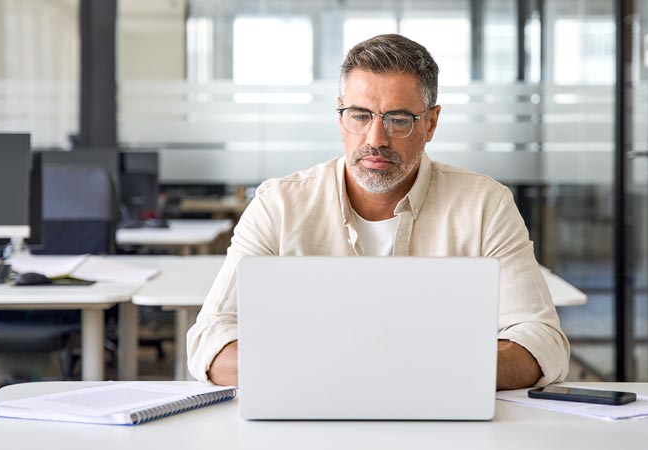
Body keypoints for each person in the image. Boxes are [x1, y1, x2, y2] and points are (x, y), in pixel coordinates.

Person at [187, 34, 570, 390]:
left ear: (431, 123)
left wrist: (411, 376)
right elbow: (210, 339)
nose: (375, 139)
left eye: (398, 120)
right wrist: (346, 375)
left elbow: (542, 341)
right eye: (360, 115)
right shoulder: (280, 204)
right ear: (340, 117)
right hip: (309, 417)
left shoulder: (485, 204)